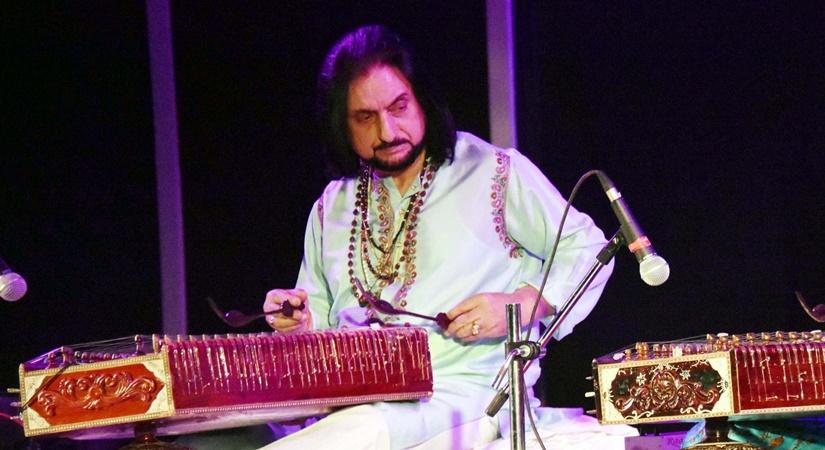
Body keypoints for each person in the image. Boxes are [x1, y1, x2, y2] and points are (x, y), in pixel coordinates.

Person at [261, 24, 613, 450]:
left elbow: (587, 248)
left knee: (354, 433)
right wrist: (299, 322)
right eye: (366, 118)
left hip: (468, 397)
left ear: (422, 100)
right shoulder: (332, 207)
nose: (387, 131)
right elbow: (317, 319)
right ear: (342, 124)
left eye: (399, 107)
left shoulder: (492, 172)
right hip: (355, 401)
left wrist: (521, 304)